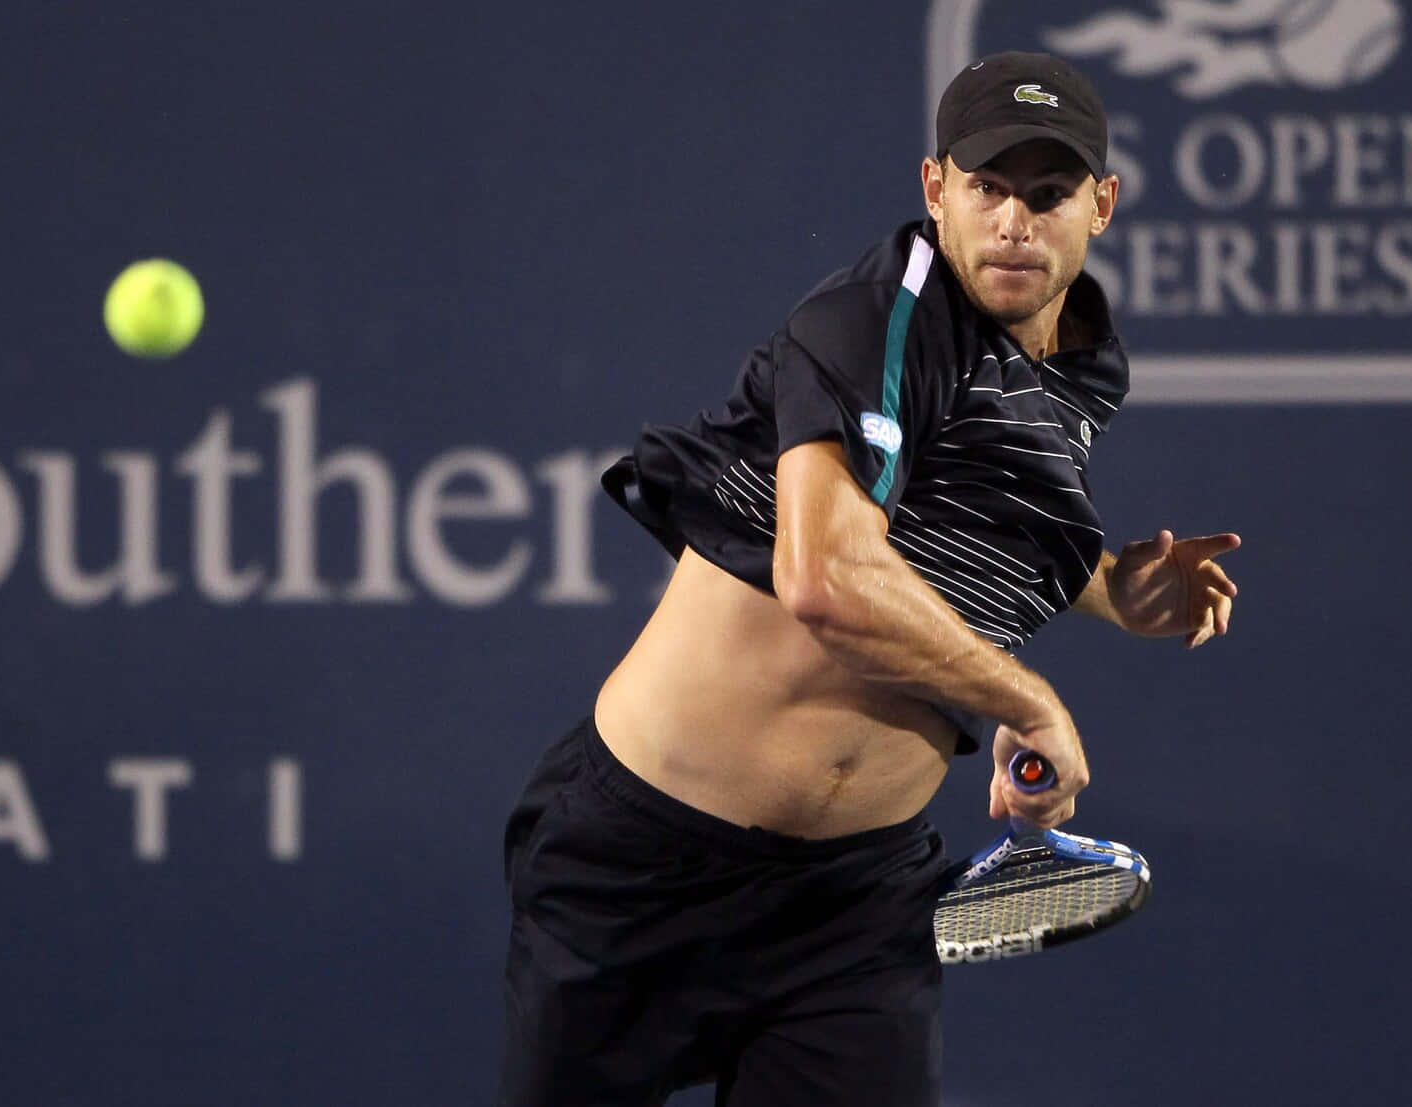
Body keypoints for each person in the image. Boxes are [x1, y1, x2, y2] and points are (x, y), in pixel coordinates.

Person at [499, 50, 1240, 1107]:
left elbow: (963, 522)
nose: (1013, 222)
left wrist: (1116, 593)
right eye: (987, 188)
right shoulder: (871, 320)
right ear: (935, 187)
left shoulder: (1082, 366)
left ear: (1101, 205)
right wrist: (1025, 699)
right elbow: (827, 578)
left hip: (852, 908)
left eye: (1047, 193)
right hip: (641, 866)